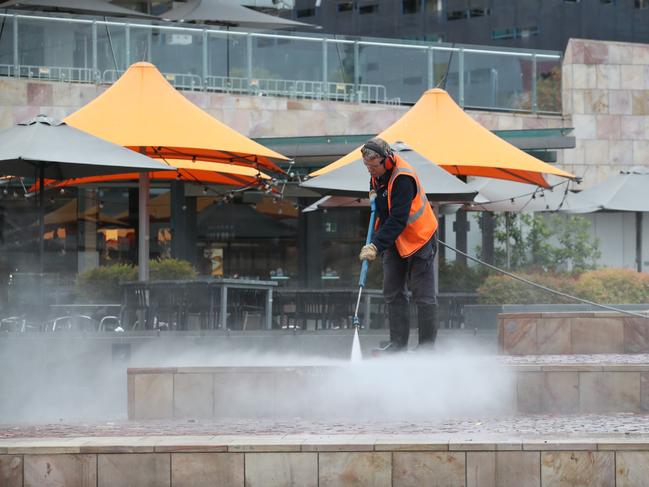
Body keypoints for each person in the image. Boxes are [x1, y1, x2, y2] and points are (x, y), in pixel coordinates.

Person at [358, 137, 439, 352]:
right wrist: (374, 194)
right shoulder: (377, 176)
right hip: (395, 239)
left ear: (387, 160)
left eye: (373, 166)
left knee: (423, 295)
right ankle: (398, 344)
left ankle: (427, 347)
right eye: (367, 166)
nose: (370, 171)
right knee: (392, 290)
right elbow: (383, 210)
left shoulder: (403, 178)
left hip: (420, 238)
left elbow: (398, 219)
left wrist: (375, 245)